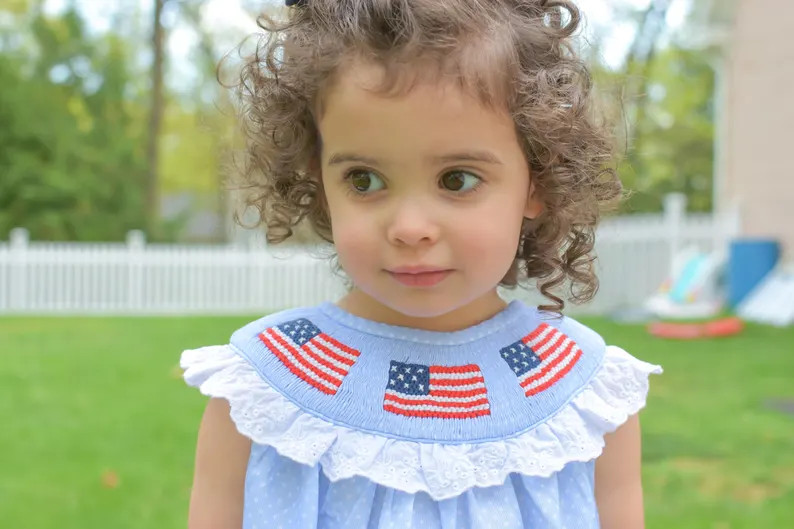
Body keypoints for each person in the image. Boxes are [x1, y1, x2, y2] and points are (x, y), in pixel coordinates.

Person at [181, 1, 663, 527]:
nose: (410, 227)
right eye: (364, 179)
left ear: (538, 183)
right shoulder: (262, 394)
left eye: (457, 179)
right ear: (318, 184)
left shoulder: (586, 400)